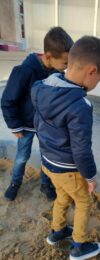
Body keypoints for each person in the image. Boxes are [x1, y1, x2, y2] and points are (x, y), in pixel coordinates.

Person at [31, 36, 100, 260]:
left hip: (49, 163)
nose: (97, 85)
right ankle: (80, 245)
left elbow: (38, 123)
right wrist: (90, 175)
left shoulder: (43, 87)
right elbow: (81, 148)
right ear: (92, 71)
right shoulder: (80, 105)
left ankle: (57, 231)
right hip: (67, 167)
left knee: (63, 196)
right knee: (84, 201)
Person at [1, 27, 73, 201]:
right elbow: (8, 100)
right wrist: (14, 126)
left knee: (46, 157)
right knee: (22, 156)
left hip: (46, 127)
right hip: (24, 126)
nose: (67, 67)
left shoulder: (57, 73)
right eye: (65, 63)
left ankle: (45, 184)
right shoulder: (25, 71)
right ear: (48, 56)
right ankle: (15, 183)